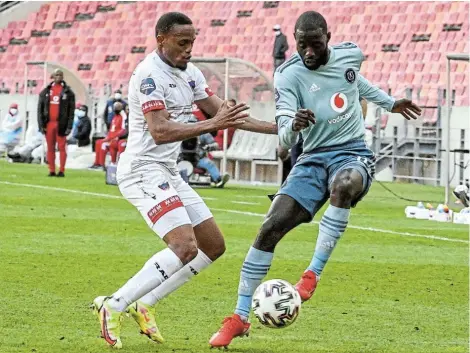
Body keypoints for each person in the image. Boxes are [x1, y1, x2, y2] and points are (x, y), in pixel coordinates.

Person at [209, 11, 422, 348]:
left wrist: (391, 103)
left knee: (344, 185)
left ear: (328, 38)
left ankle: (311, 275)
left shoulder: (350, 54)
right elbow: (283, 137)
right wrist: (294, 124)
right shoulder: (287, 75)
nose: (308, 51)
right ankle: (238, 317)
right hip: (310, 158)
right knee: (270, 227)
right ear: (295, 42)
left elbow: (353, 81)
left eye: (315, 44)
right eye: (302, 45)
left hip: (351, 152)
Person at [91, 12, 277, 349]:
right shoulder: (149, 75)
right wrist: (211, 125)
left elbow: (227, 115)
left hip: (168, 171)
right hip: (142, 170)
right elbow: (160, 131)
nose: (189, 50)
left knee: (213, 246)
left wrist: (281, 128)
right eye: (182, 43)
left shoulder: (191, 73)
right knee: (184, 246)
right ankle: (113, 304)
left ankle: (143, 303)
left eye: (192, 42)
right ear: (161, 39)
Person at [38, 69, 75, 177]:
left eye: (60, 75)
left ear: (63, 77)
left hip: (61, 124)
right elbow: (40, 109)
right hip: (49, 123)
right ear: (52, 76)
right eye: (56, 75)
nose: (58, 77)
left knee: (62, 147)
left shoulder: (68, 92)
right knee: (50, 147)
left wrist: (69, 126)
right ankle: (52, 170)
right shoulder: (46, 91)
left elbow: (71, 112)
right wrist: (41, 125)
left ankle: (62, 170)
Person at [89, 102, 126, 170]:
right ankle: (97, 163)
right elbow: (111, 129)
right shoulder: (115, 117)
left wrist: (114, 137)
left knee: (103, 144)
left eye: (117, 107)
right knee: (98, 142)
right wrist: (108, 137)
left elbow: (123, 129)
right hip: (110, 137)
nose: (115, 109)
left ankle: (102, 164)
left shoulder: (122, 117)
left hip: (115, 138)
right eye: (115, 107)